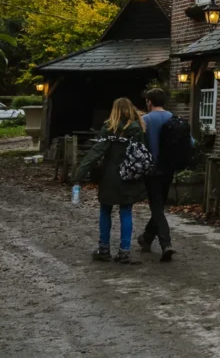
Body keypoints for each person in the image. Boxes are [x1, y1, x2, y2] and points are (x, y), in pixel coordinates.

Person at [74, 97, 147, 263]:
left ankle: (104, 248)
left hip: (109, 175)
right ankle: (124, 251)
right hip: (129, 175)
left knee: (105, 211)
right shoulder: (137, 128)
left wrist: (79, 173)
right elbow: (141, 153)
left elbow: (96, 152)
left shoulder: (108, 128)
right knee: (126, 212)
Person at [138, 87, 176, 261]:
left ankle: (165, 243)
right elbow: (190, 142)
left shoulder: (144, 120)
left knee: (156, 207)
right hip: (169, 169)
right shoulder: (174, 119)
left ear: (149, 102)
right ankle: (146, 238)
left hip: (151, 170)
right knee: (159, 206)